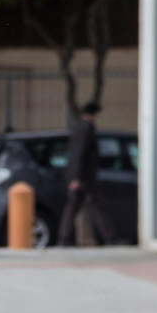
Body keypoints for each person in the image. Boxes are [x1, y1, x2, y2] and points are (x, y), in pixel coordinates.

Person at [59, 101, 113, 246]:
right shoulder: (85, 129)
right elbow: (79, 154)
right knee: (93, 206)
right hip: (85, 177)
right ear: (94, 114)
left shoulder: (79, 127)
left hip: (81, 176)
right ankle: (107, 238)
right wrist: (76, 177)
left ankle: (64, 239)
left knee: (76, 207)